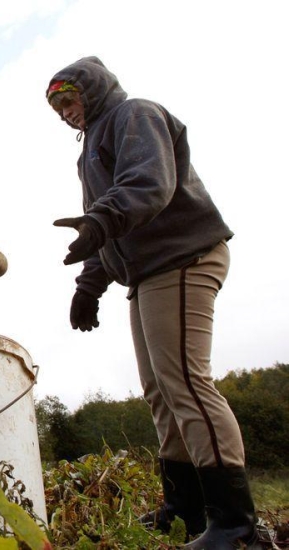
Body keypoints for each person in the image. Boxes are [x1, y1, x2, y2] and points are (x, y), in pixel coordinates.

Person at [46, 57, 264, 549]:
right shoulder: (91, 153)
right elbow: (106, 227)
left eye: (69, 98)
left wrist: (102, 223)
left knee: (186, 383)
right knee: (160, 391)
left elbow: (149, 186)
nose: (64, 111)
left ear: (94, 90)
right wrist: (89, 286)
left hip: (182, 257)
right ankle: (181, 508)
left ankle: (235, 524)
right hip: (146, 273)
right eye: (57, 106)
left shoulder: (134, 115)